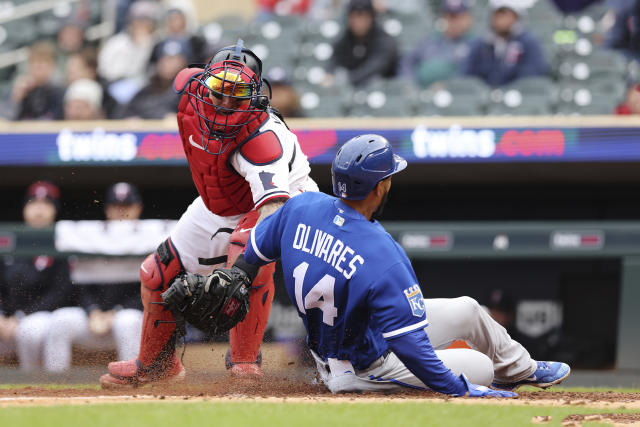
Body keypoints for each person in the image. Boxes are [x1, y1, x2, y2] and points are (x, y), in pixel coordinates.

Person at [225, 134, 571, 395]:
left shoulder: (302, 207)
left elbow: (255, 249)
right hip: (362, 364)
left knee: (468, 309)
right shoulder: (382, 252)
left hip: (345, 338)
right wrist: (462, 389)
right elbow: (412, 350)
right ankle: (357, 384)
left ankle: (521, 368)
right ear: (379, 187)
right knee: (479, 368)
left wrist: (237, 276)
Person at [99, 40, 319, 388]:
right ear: (203, 83)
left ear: (256, 97)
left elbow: (273, 208)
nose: (226, 103)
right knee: (155, 273)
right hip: (221, 201)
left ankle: (245, 365)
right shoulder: (188, 91)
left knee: (247, 249)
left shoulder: (262, 138)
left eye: (238, 94)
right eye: (219, 90)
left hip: (286, 200)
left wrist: (242, 271)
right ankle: (156, 366)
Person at [43, 183, 144, 373]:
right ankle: (53, 385)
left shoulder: (150, 236)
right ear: (107, 209)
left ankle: (131, 380)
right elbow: (81, 286)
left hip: (127, 316)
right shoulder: (93, 237)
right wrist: (93, 310)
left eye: (126, 206)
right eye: (116, 206)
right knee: (61, 319)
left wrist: (115, 311)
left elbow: (150, 290)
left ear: (138, 208)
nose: (121, 211)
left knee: (127, 321)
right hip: (93, 319)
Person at [0, 181, 75, 371]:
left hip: (42, 315)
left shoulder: (63, 240)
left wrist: (20, 316)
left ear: (54, 210)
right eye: (33, 203)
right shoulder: (9, 238)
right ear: (25, 207)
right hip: (7, 318)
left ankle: (32, 381)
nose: (39, 209)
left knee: (30, 330)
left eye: (46, 204)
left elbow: (61, 292)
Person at [463, 0, 549, 87]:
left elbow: (532, 75)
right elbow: (468, 75)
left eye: (505, 14)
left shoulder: (528, 43)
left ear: (516, 16)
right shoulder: (480, 45)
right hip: (485, 97)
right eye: (498, 14)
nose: (501, 19)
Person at [399, 0, 474, 88]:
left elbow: (469, 75)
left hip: (455, 96)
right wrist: (409, 84)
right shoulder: (429, 40)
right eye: (449, 16)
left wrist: (448, 86)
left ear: (468, 18)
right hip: (420, 95)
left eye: (457, 17)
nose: (453, 21)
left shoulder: (475, 44)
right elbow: (408, 63)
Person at [328, 0, 399, 87]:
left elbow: (375, 68)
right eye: (354, 17)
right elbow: (334, 60)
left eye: (363, 17)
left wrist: (347, 79)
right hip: (352, 90)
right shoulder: (345, 38)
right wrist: (330, 74)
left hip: (383, 90)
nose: (358, 22)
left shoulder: (385, 40)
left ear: (371, 18)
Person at [119, 37, 189, 119]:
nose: (167, 64)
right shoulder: (147, 90)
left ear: (184, 63)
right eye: (164, 58)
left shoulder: (190, 91)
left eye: (173, 59)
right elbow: (126, 114)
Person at [10, 41, 65, 120]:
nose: (37, 65)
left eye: (42, 61)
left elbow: (56, 118)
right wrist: (16, 98)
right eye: (33, 61)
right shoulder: (24, 88)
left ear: (53, 65)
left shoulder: (59, 89)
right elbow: (9, 118)